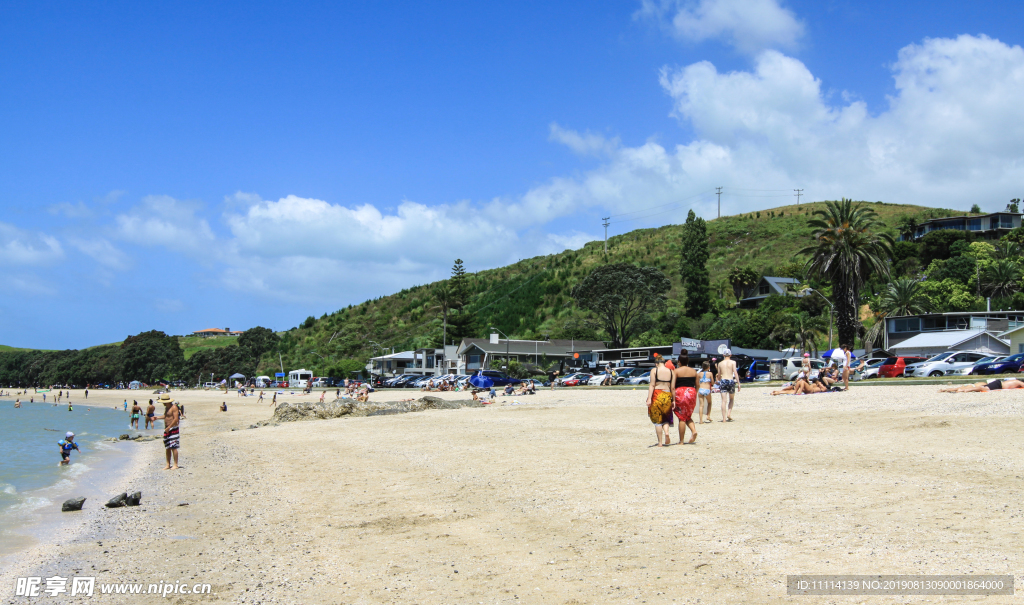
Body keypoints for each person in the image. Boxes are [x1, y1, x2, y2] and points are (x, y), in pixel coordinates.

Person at [645, 353, 675, 446]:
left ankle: (660, 442)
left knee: (658, 420)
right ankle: (666, 432)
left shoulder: (654, 370)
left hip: (657, 394)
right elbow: (673, 388)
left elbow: (652, 385)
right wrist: (674, 400)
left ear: (656, 363)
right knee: (666, 417)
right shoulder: (671, 372)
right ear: (664, 363)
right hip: (667, 394)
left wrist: (649, 398)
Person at [672, 351, 699, 444]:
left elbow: (672, 386)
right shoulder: (694, 371)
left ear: (679, 362)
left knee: (681, 417)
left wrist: (673, 399)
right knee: (687, 415)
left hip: (680, 393)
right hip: (691, 392)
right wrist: (695, 394)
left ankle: (681, 441)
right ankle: (694, 430)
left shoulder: (676, 371)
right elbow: (697, 385)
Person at [154, 395, 181, 470]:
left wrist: (169, 427)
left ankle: (175, 464)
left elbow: (175, 419)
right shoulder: (167, 408)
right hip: (167, 429)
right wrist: (157, 417)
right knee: (167, 447)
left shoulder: (174, 407)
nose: (163, 403)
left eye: (163, 402)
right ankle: (168, 464)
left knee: (174, 447)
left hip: (173, 428)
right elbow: (166, 416)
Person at [716, 349, 740, 422]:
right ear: (730, 355)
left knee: (723, 401)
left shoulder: (720, 363)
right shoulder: (733, 362)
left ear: (723, 355)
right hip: (730, 380)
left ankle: (723, 419)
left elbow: (719, 374)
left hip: (723, 380)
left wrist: (717, 380)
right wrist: (739, 383)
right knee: (731, 398)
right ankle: (729, 413)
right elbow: (735, 373)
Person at [939, 377, 1024, 392]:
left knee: (982, 387)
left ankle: (945, 390)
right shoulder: (1019, 382)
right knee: (984, 388)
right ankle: (966, 390)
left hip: (998, 383)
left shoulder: (1015, 381)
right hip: (999, 384)